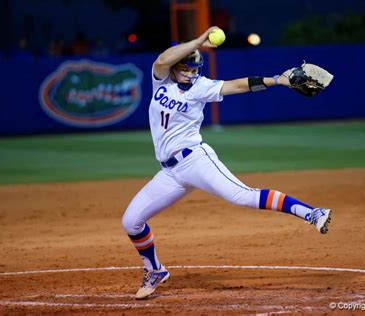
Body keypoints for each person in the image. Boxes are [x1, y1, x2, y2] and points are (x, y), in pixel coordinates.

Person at [121, 26, 332, 300]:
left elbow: (239, 84)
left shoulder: (201, 86)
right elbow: (161, 60)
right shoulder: (161, 81)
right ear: (175, 66)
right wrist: (198, 41)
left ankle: (311, 213)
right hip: (169, 173)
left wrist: (276, 80)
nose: (191, 71)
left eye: (195, 67)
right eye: (186, 66)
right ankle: (155, 269)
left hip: (195, 160)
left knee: (242, 196)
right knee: (131, 222)